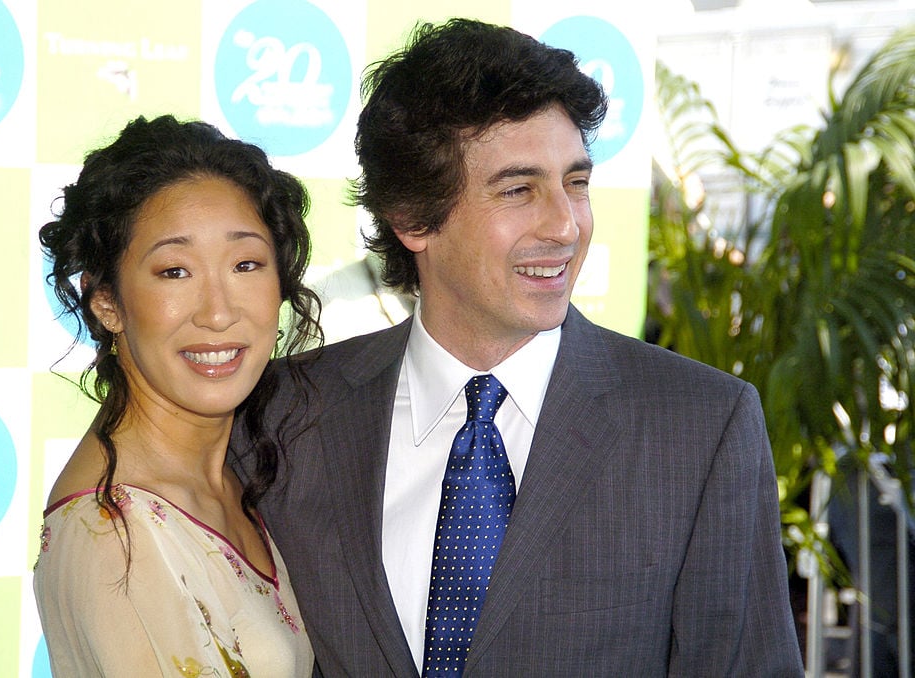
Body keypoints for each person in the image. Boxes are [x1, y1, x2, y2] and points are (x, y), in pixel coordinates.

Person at [229, 18, 804, 677]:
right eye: (519, 189)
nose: (565, 223)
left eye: (577, 182)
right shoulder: (283, 412)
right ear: (413, 217)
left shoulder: (700, 426)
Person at [34, 115, 320, 677]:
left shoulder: (229, 472)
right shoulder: (120, 535)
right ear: (106, 302)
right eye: (174, 271)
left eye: (246, 265)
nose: (218, 312)